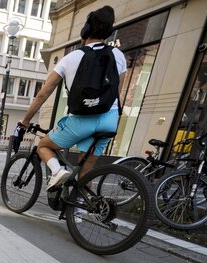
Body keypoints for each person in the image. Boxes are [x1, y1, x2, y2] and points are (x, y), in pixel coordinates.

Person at [15, 5, 126, 191]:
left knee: (43, 145)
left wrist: (25, 120)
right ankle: (78, 212)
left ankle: (57, 172)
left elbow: (44, 93)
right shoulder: (118, 55)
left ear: (85, 30)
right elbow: (117, 92)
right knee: (86, 168)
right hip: (109, 119)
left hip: (82, 120)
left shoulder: (71, 57)